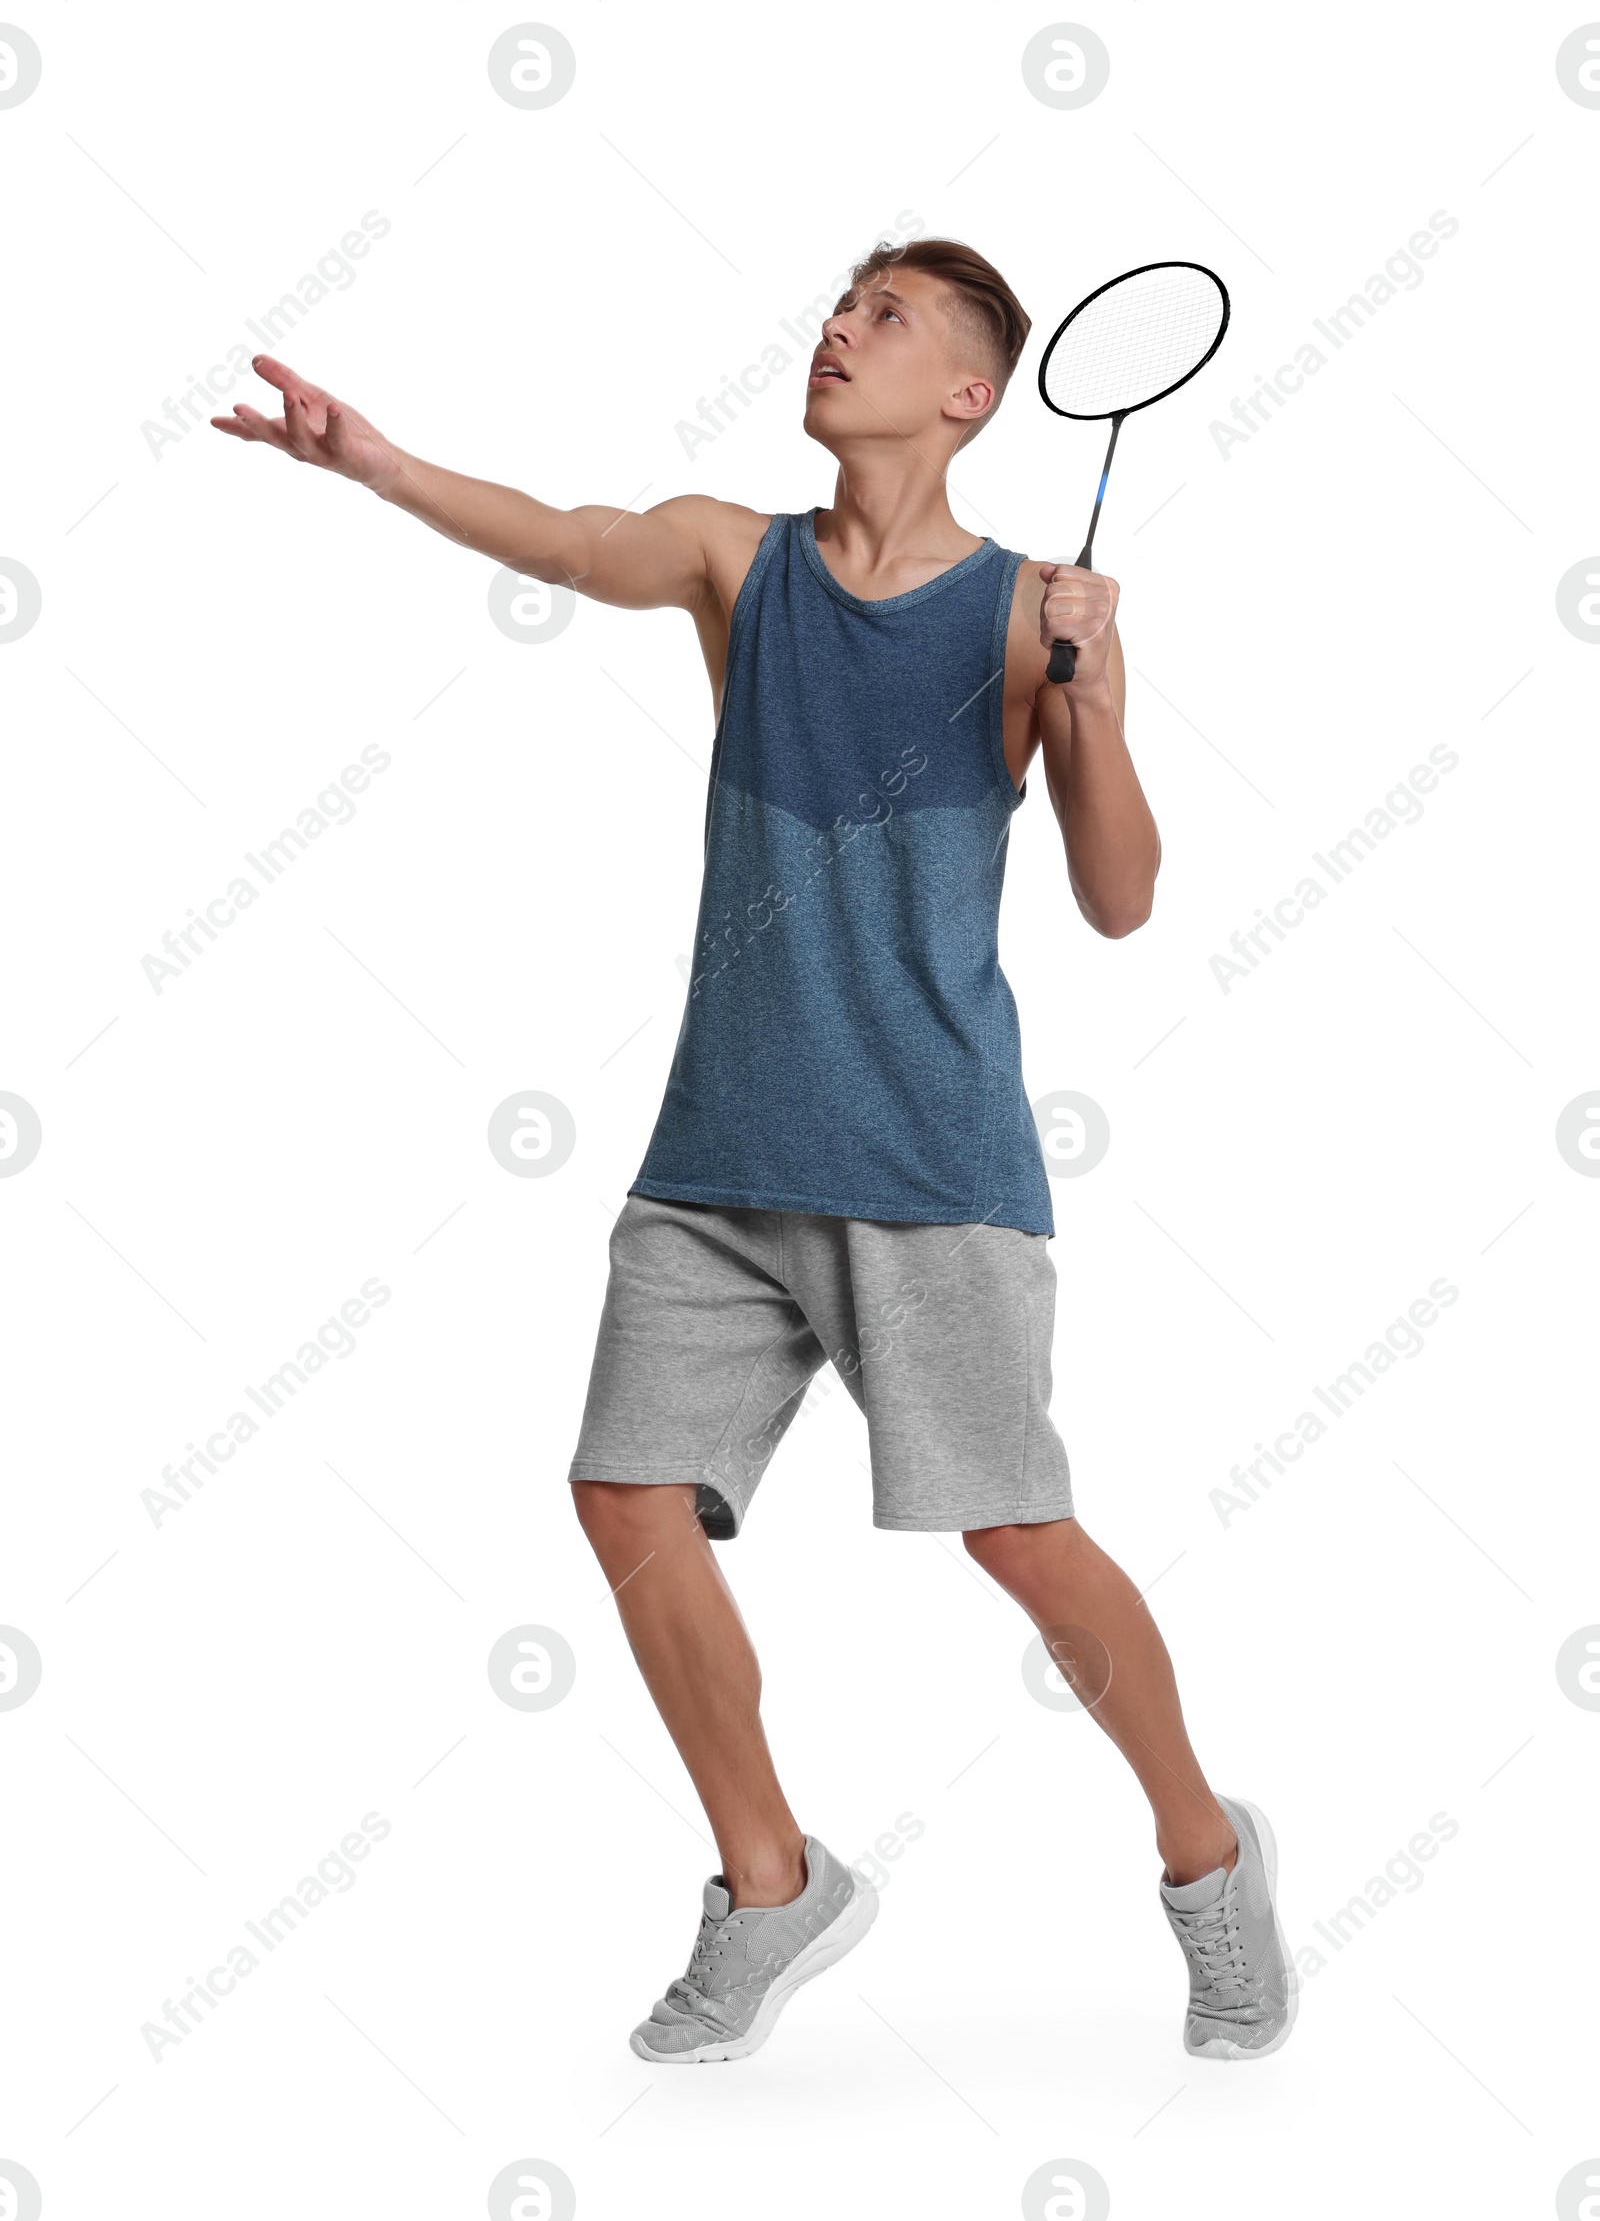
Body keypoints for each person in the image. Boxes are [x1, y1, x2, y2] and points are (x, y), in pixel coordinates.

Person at [214, 235, 1295, 2068]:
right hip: (719, 1151)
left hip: (932, 1160)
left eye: (884, 319)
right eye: (836, 306)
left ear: (970, 391)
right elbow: (569, 536)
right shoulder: (742, 558)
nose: (836, 329)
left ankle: (1205, 1855)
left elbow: (1119, 902)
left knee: (1021, 1540)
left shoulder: (1032, 609)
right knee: (627, 1498)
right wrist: (373, 462)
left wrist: (1097, 705)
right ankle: (771, 1876)